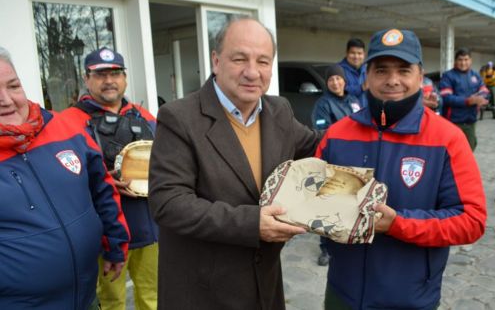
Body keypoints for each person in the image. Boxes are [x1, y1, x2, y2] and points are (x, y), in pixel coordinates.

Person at [148, 17, 322, 310]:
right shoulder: (179, 117)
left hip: (264, 289)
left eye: (263, 61)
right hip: (203, 293)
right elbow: (168, 202)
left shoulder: (278, 110)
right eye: (239, 58)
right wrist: (252, 224)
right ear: (216, 61)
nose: (252, 72)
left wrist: (367, 126)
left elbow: (317, 145)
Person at [316, 29, 487, 309]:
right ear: (366, 76)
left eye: (404, 70)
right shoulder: (336, 134)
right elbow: (313, 201)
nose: (392, 80)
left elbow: (471, 220)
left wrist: (398, 224)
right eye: (381, 70)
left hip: (409, 299)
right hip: (341, 293)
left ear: (420, 77)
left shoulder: (448, 138)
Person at [0, 46, 129, 309]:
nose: (6, 99)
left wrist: (115, 243)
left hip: (85, 295)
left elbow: (102, 188)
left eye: (13, 85)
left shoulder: (64, 127)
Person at [60, 47, 158, 310]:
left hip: (150, 229)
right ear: (86, 79)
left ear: (124, 77)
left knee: (154, 299)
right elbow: (57, 178)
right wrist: (98, 184)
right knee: (110, 301)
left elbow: (169, 160)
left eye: (115, 73)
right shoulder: (68, 122)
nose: (109, 80)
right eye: (100, 74)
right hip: (105, 235)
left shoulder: (144, 116)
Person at [310, 64, 362, 266]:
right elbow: (323, 132)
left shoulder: (354, 101)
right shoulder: (323, 104)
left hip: (356, 158)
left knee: (351, 203)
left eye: (338, 78)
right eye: (331, 79)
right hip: (334, 159)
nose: (335, 82)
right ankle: (326, 248)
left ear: (344, 81)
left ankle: (348, 239)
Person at [440, 48, 489, 151]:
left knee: (469, 150)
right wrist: (468, 101)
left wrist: (481, 98)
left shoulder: (475, 75)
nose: (463, 63)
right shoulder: (448, 76)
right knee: (451, 152)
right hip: (453, 122)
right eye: (460, 60)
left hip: (470, 122)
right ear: (455, 61)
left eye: (466, 59)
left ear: (470, 60)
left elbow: (484, 90)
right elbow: (447, 98)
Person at [338, 38, 368, 106]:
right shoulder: (338, 70)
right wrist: (361, 87)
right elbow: (339, 91)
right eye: (353, 53)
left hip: (366, 113)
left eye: (359, 53)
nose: (356, 57)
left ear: (364, 54)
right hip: (346, 113)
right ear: (346, 53)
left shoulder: (368, 69)